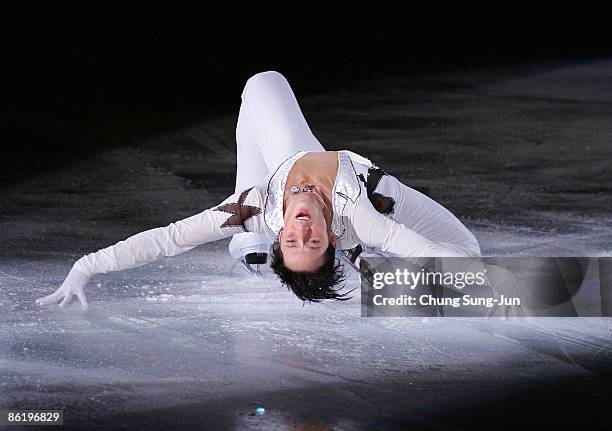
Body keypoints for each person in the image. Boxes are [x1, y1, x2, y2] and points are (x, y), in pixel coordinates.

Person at [35, 70, 481, 308]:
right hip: (387, 200)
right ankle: (252, 248)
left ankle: (249, 246)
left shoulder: (254, 206)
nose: (301, 229)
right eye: (313, 241)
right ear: (332, 239)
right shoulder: (359, 217)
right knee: (470, 255)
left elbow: (169, 238)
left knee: (262, 84)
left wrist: (86, 266)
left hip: (285, 180)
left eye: (290, 240)